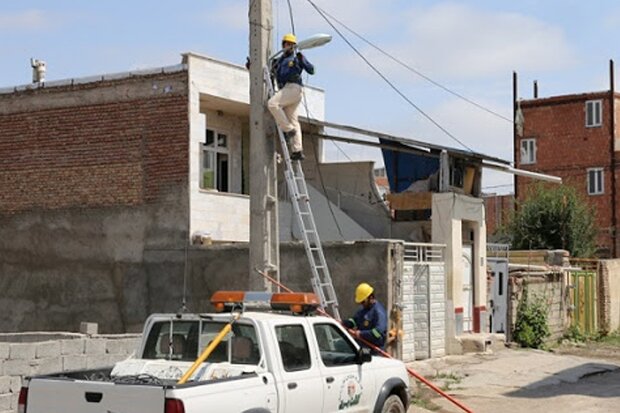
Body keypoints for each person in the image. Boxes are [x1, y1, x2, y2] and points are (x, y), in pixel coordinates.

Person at [267, 33, 315, 161]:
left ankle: (288, 130)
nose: (287, 46)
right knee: (293, 120)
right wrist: (251, 67)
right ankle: (297, 150)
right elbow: (265, 72)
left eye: (289, 44)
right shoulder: (278, 61)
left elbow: (312, 70)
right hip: (286, 90)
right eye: (285, 44)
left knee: (272, 104)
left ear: (293, 46)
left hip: (294, 88)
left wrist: (302, 59)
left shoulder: (296, 58)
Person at [343, 282, 388, 350]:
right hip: (362, 347)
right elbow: (355, 320)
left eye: (363, 301)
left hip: (374, 351)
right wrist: (344, 323)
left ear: (371, 297)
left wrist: (361, 334)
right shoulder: (364, 309)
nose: (362, 304)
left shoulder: (378, 312)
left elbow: (378, 332)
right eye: (361, 302)